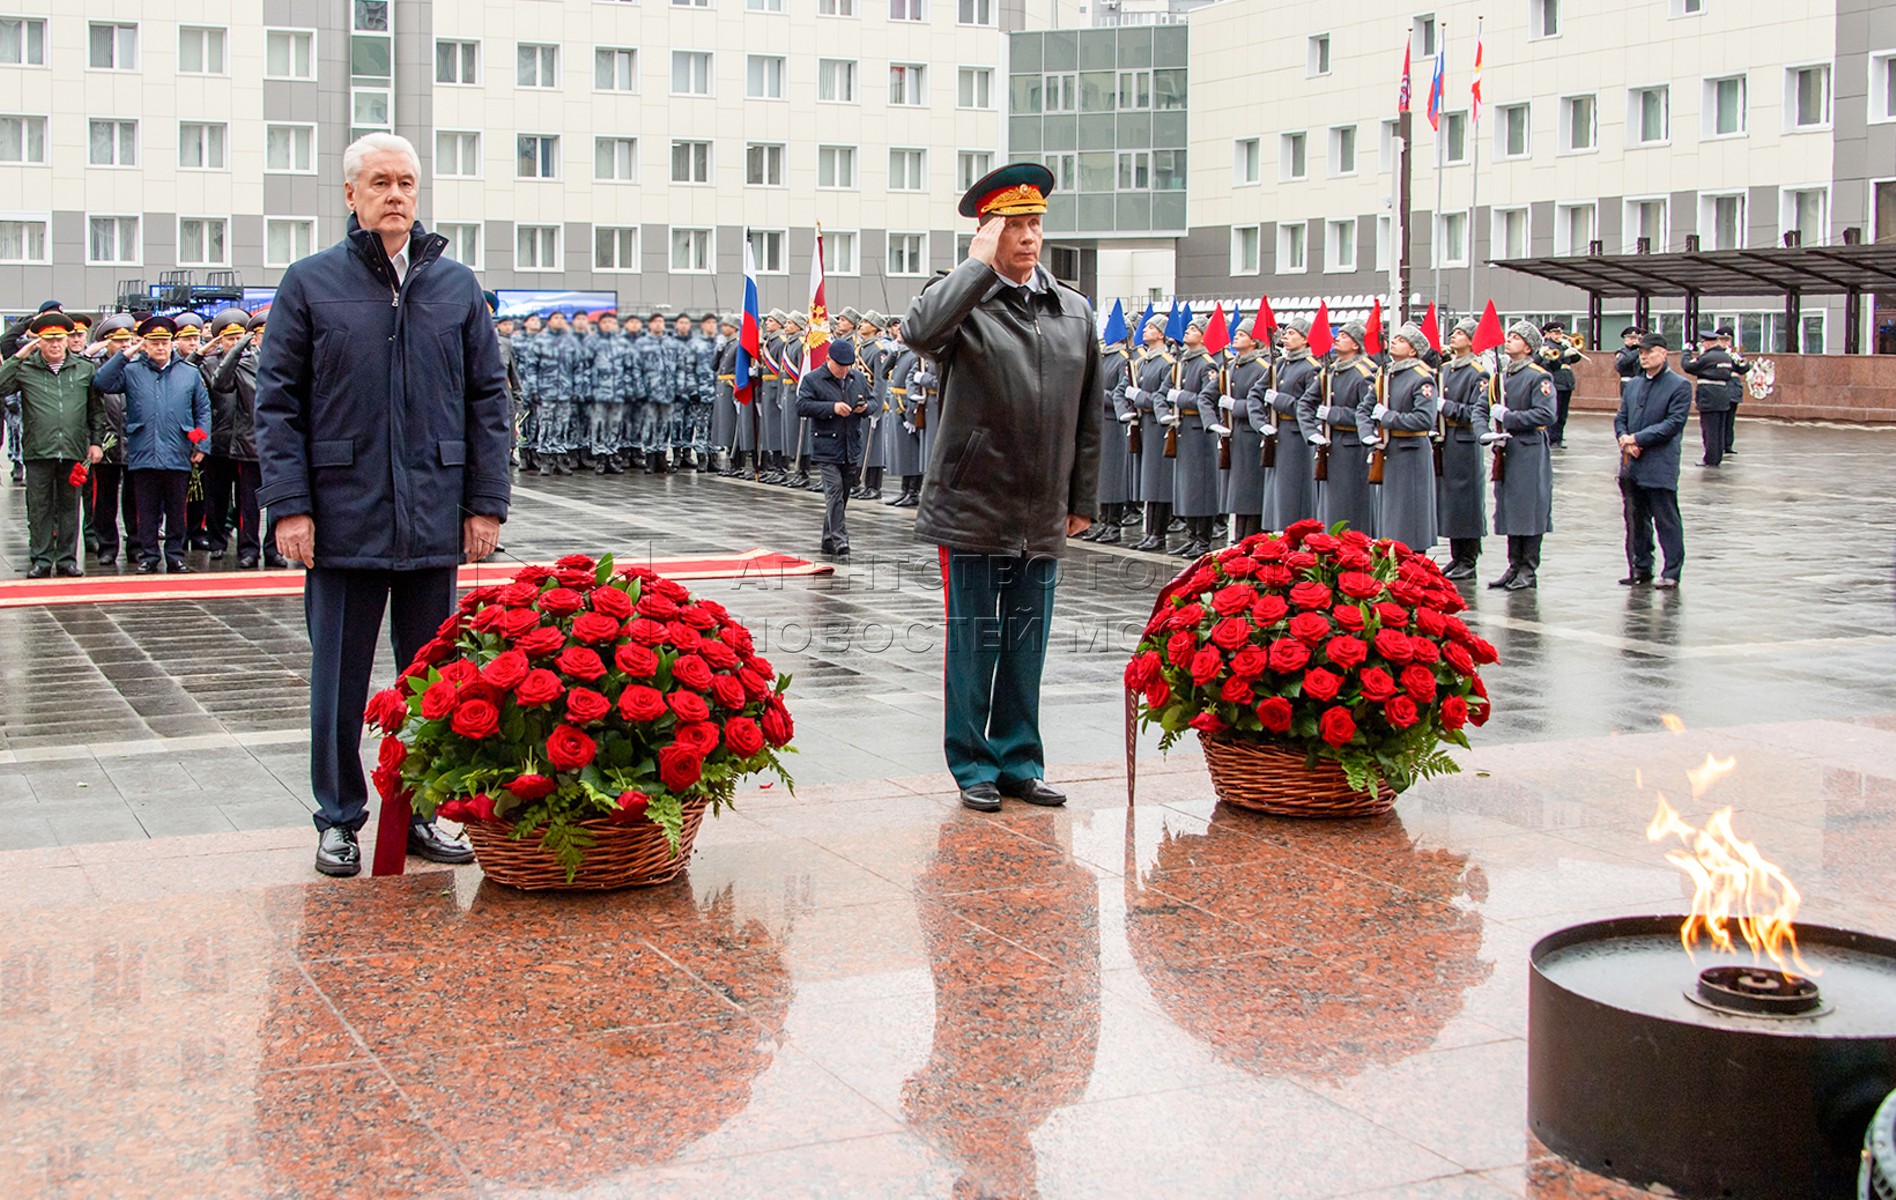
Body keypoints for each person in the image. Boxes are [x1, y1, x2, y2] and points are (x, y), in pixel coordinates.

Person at [255, 131, 510, 879]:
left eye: (405, 182)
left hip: (434, 512)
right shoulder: (308, 283)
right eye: (379, 183)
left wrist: (484, 504)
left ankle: (424, 809)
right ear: (350, 196)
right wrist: (291, 507)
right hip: (340, 519)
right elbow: (277, 405)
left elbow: (488, 400)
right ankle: (338, 818)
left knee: (434, 682)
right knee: (338, 680)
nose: (395, 194)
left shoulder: (455, 287)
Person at [904, 162, 1101, 813]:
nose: (1029, 236)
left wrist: (1080, 500)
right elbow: (920, 331)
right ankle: (971, 762)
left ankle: (1019, 757)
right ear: (989, 233)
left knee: (1025, 642)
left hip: (1040, 507)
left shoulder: (1072, 310)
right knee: (976, 641)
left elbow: (1088, 414)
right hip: (974, 503)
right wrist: (975, 268)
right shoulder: (963, 303)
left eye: (1036, 223)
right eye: (1014, 225)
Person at [93, 316, 211, 575]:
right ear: (144, 345)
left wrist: (202, 443)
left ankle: (175, 556)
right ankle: (149, 556)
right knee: (145, 510)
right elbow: (101, 382)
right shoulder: (132, 371)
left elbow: (202, 409)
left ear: (171, 344)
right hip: (144, 448)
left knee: (177, 509)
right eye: (154, 343)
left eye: (164, 343)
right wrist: (126, 354)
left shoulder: (189, 373)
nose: (160, 348)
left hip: (178, 449)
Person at [0, 311, 103, 577]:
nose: (55, 345)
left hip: (72, 449)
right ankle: (42, 559)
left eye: (60, 339)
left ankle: (67, 559)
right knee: (39, 508)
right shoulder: (26, 369)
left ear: (68, 340)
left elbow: (95, 411)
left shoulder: (84, 369)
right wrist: (19, 355)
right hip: (38, 450)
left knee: (70, 506)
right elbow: (1, 386)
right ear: (38, 342)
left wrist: (95, 443)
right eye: (48, 340)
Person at [1615, 332, 1692, 588]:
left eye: (1649, 351)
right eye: (1641, 352)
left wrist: (1637, 438)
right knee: (1635, 521)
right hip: (1632, 464)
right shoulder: (1634, 384)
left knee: (1665, 519)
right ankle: (1640, 568)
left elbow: (1672, 424)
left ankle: (1671, 571)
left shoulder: (1679, 386)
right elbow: (1621, 417)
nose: (1644, 356)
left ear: (1664, 353)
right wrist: (1624, 438)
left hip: (1659, 464)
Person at [1487, 321, 1556, 591]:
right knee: (1511, 508)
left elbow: (1546, 414)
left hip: (1529, 448)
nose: (1509, 340)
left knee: (1529, 509)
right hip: (1509, 448)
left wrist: (1510, 418)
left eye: (1515, 338)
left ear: (1528, 347)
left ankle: (1528, 568)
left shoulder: (1539, 376)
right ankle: (1514, 565)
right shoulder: (1504, 376)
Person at [795, 337, 872, 557]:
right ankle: (841, 541)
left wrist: (864, 408)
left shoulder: (856, 378)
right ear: (829, 359)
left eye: (848, 366)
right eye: (840, 366)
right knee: (834, 492)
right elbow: (802, 405)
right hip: (826, 445)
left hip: (850, 444)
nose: (844, 370)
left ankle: (828, 540)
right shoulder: (813, 379)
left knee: (843, 494)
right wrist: (832, 407)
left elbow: (873, 401)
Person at [1364, 323, 1437, 551]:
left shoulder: (1421, 378)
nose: (1394, 342)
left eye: (1401, 340)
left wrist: (1388, 418)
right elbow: (1364, 409)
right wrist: (1367, 434)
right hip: (1389, 451)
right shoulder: (1385, 375)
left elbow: (1424, 420)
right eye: (1394, 338)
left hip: (1410, 452)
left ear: (1413, 350)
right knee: (1391, 516)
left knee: (1409, 516)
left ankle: (1413, 565)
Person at [1302, 321, 1378, 536]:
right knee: (1330, 507)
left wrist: (1334, 415)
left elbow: (1368, 414)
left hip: (1353, 448)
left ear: (1356, 345)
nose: (1337, 338)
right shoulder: (1330, 372)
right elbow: (1306, 403)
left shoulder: (1365, 374)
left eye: (1344, 336)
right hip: (1330, 446)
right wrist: (1312, 432)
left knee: (1351, 506)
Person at [1436, 318, 1490, 579]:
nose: (1454, 336)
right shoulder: (1446, 369)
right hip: (1447, 442)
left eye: (1460, 333)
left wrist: (1445, 407)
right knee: (1451, 503)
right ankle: (1457, 556)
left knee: (1466, 502)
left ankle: (1469, 557)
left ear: (1471, 340)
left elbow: (1474, 411)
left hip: (1465, 442)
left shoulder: (1477, 372)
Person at [1255, 316, 1319, 529]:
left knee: (1292, 493)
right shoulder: (1279, 364)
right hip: (1277, 432)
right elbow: (1256, 393)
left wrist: (1279, 401)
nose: (1286, 336)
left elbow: (1310, 406)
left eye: (1293, 333)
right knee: (1275, 493)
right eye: (1287, 332)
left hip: (1296, 436)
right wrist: (1259, 422)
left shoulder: (1311, 367)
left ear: (1305, 339)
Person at [1127, 315, 1176, 552]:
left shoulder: (1167, 362)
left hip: (1159, 425)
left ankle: (1158, 533)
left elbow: (1163, 396)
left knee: (1159, 482)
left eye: (1152, 327)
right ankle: (1149, 533)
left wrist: (1139, 398)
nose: (1146, 330)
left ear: (1162, 334)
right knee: (1147, 482)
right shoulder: (1142, 362)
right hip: (1143, 424)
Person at [1219, 317, 1269, 543]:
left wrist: (1235, 407)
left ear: (1254, 341)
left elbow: (1260, 403)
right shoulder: (1231, 366)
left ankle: (1250, 537)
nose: (1236, 337)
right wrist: (1214, 420)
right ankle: (1239, 535)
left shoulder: (1261, 368)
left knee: (1250, 490)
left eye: (1242, 334)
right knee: (1238, 491)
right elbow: (1210, 395)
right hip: (1234, 433)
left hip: (1251, 434)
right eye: (1236, 333)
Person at [1681, 329, 1737, 468]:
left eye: (1703, 342)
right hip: (1723, 395)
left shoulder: (1707, 357)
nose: (1702, 345)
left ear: (1707, 343)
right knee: (1719, 429)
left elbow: (1688, 366)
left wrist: (1686, 352)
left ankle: (1710, 459)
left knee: (1709, 430)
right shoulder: (1726, 357)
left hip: (1709, 396)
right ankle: (1716, 457)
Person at [1538, 322, 1584, 447]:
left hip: (1566, 382)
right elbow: (1550, 363)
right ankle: (1551, 438)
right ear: (1548, 334)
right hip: (1555, 381)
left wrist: (1574, 350)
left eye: (1560, 333)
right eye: (1555, 333)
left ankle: (1558, 437)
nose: (1559, 335)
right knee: (1555, 412)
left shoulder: (1563, 345)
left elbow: (1574, 360)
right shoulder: (1547, 346)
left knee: (1563, 413)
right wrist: (1564, 354)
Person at [1719, 326, 1749, 456]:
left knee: (1729, 421)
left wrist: (1742, 362)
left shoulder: (1734, 353)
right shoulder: (1714, 353)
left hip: (1733, 390)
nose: (1726, 343)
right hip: (1720, 390)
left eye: (1728, 340)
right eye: (1723, 339)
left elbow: (1742, 369)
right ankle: (1718, 445)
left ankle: (1728, 445)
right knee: (1720, 420)